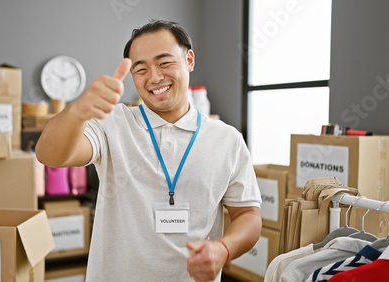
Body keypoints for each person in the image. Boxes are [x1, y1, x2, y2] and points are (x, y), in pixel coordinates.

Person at [36, 19, 262, 282]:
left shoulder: (228, 139)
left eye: (164, 63)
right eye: (140, 69)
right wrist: (76, 112)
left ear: (189, 60)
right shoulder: (112, 123)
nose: (154, 78)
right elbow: (49, 155)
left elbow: (248, 214)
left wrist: (224, 249)